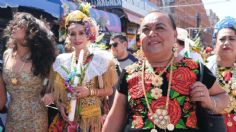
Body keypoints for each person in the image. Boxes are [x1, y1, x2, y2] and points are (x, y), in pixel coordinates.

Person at [102, 10, 229, 132]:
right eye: (146, 29)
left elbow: (223, 97)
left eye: (160, 28)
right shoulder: (129, 73)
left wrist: (210, 102)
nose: (151, 33)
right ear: (140, 38)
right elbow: (114, 119)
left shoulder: (196, 69)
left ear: (174, 35)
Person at [49, 4, 117, 132]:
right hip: (67, 121)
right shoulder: (62, 61)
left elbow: (109, 91)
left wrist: (90, 92)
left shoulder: (100, 60)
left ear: (89, 34)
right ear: (68, 35)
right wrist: (60, 105)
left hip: (92, 121)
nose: (77, 38)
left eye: (81, 33)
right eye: (72, 34)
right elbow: (58, 93)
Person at [2, 12, 56, 131]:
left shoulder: (40, 58)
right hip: (12, 117)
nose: (14, 27)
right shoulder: (6, 55)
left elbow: (56, 82)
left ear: (30, 33)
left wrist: (51, 93)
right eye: (14, 25)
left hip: (36, 118)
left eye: (20, 26)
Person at [207, 16, 236, 132]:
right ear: (215, 43)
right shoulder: (205, 70)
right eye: (222, 39)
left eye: (232, 39)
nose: (227, 42)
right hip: (213, 125)